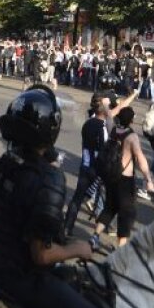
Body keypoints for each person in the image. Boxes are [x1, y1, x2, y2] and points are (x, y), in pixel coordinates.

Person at [0, 85, 115, 308]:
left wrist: (10, 234)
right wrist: (77, 249)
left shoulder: (5, 162)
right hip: (25, 278)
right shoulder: (49, 179)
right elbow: (41, 255)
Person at [91, 107, 154, 249]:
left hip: (110, 177)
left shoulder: (112, 129)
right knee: (126, 213)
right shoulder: (131, 137)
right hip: (125, 180)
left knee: (109, 208)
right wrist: (148, 180)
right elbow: (140, 159)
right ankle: (121, 247)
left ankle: (94, 236)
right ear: (132, 120)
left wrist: (108, 106)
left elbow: (108, 114)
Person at [63, 97, 109, 238]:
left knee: (77, 198)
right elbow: (103, 149)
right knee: (102, 199)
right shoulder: (102, 128)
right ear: (104, 112)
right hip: (97, 168)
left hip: (85, 164)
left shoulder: (88, 123)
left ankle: (67, 227)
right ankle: (98, 232)